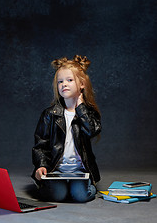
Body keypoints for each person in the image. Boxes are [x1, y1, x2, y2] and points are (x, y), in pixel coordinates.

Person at [31, 55, 101, 203]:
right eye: (60, 81)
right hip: (56, 169)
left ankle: (88, 185)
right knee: (58, 196)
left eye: (69, 80)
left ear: (81, 84)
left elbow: (92, 131)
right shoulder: (50, 114)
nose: (64, 84)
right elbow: (40, 145)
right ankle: (54, 186)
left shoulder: (88, 112)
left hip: (79, 171)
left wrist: (81, 107)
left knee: (81, 196)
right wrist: (41, 165)